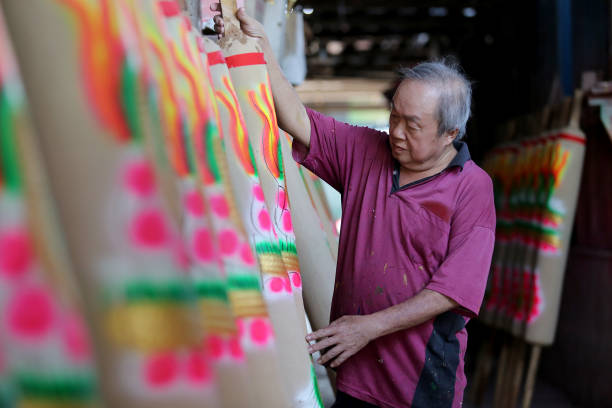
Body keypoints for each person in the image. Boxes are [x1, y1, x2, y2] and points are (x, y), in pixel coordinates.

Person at [214, 7, 496, 408]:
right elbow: (294, 117)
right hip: (355, 375)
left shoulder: (471, 188)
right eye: (393, 116)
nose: (395, 132)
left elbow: (453, 291)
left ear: (450, 133)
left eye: (411, 125)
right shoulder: (366, 151)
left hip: (420, 384)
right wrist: (262, 52)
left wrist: (368, 328)